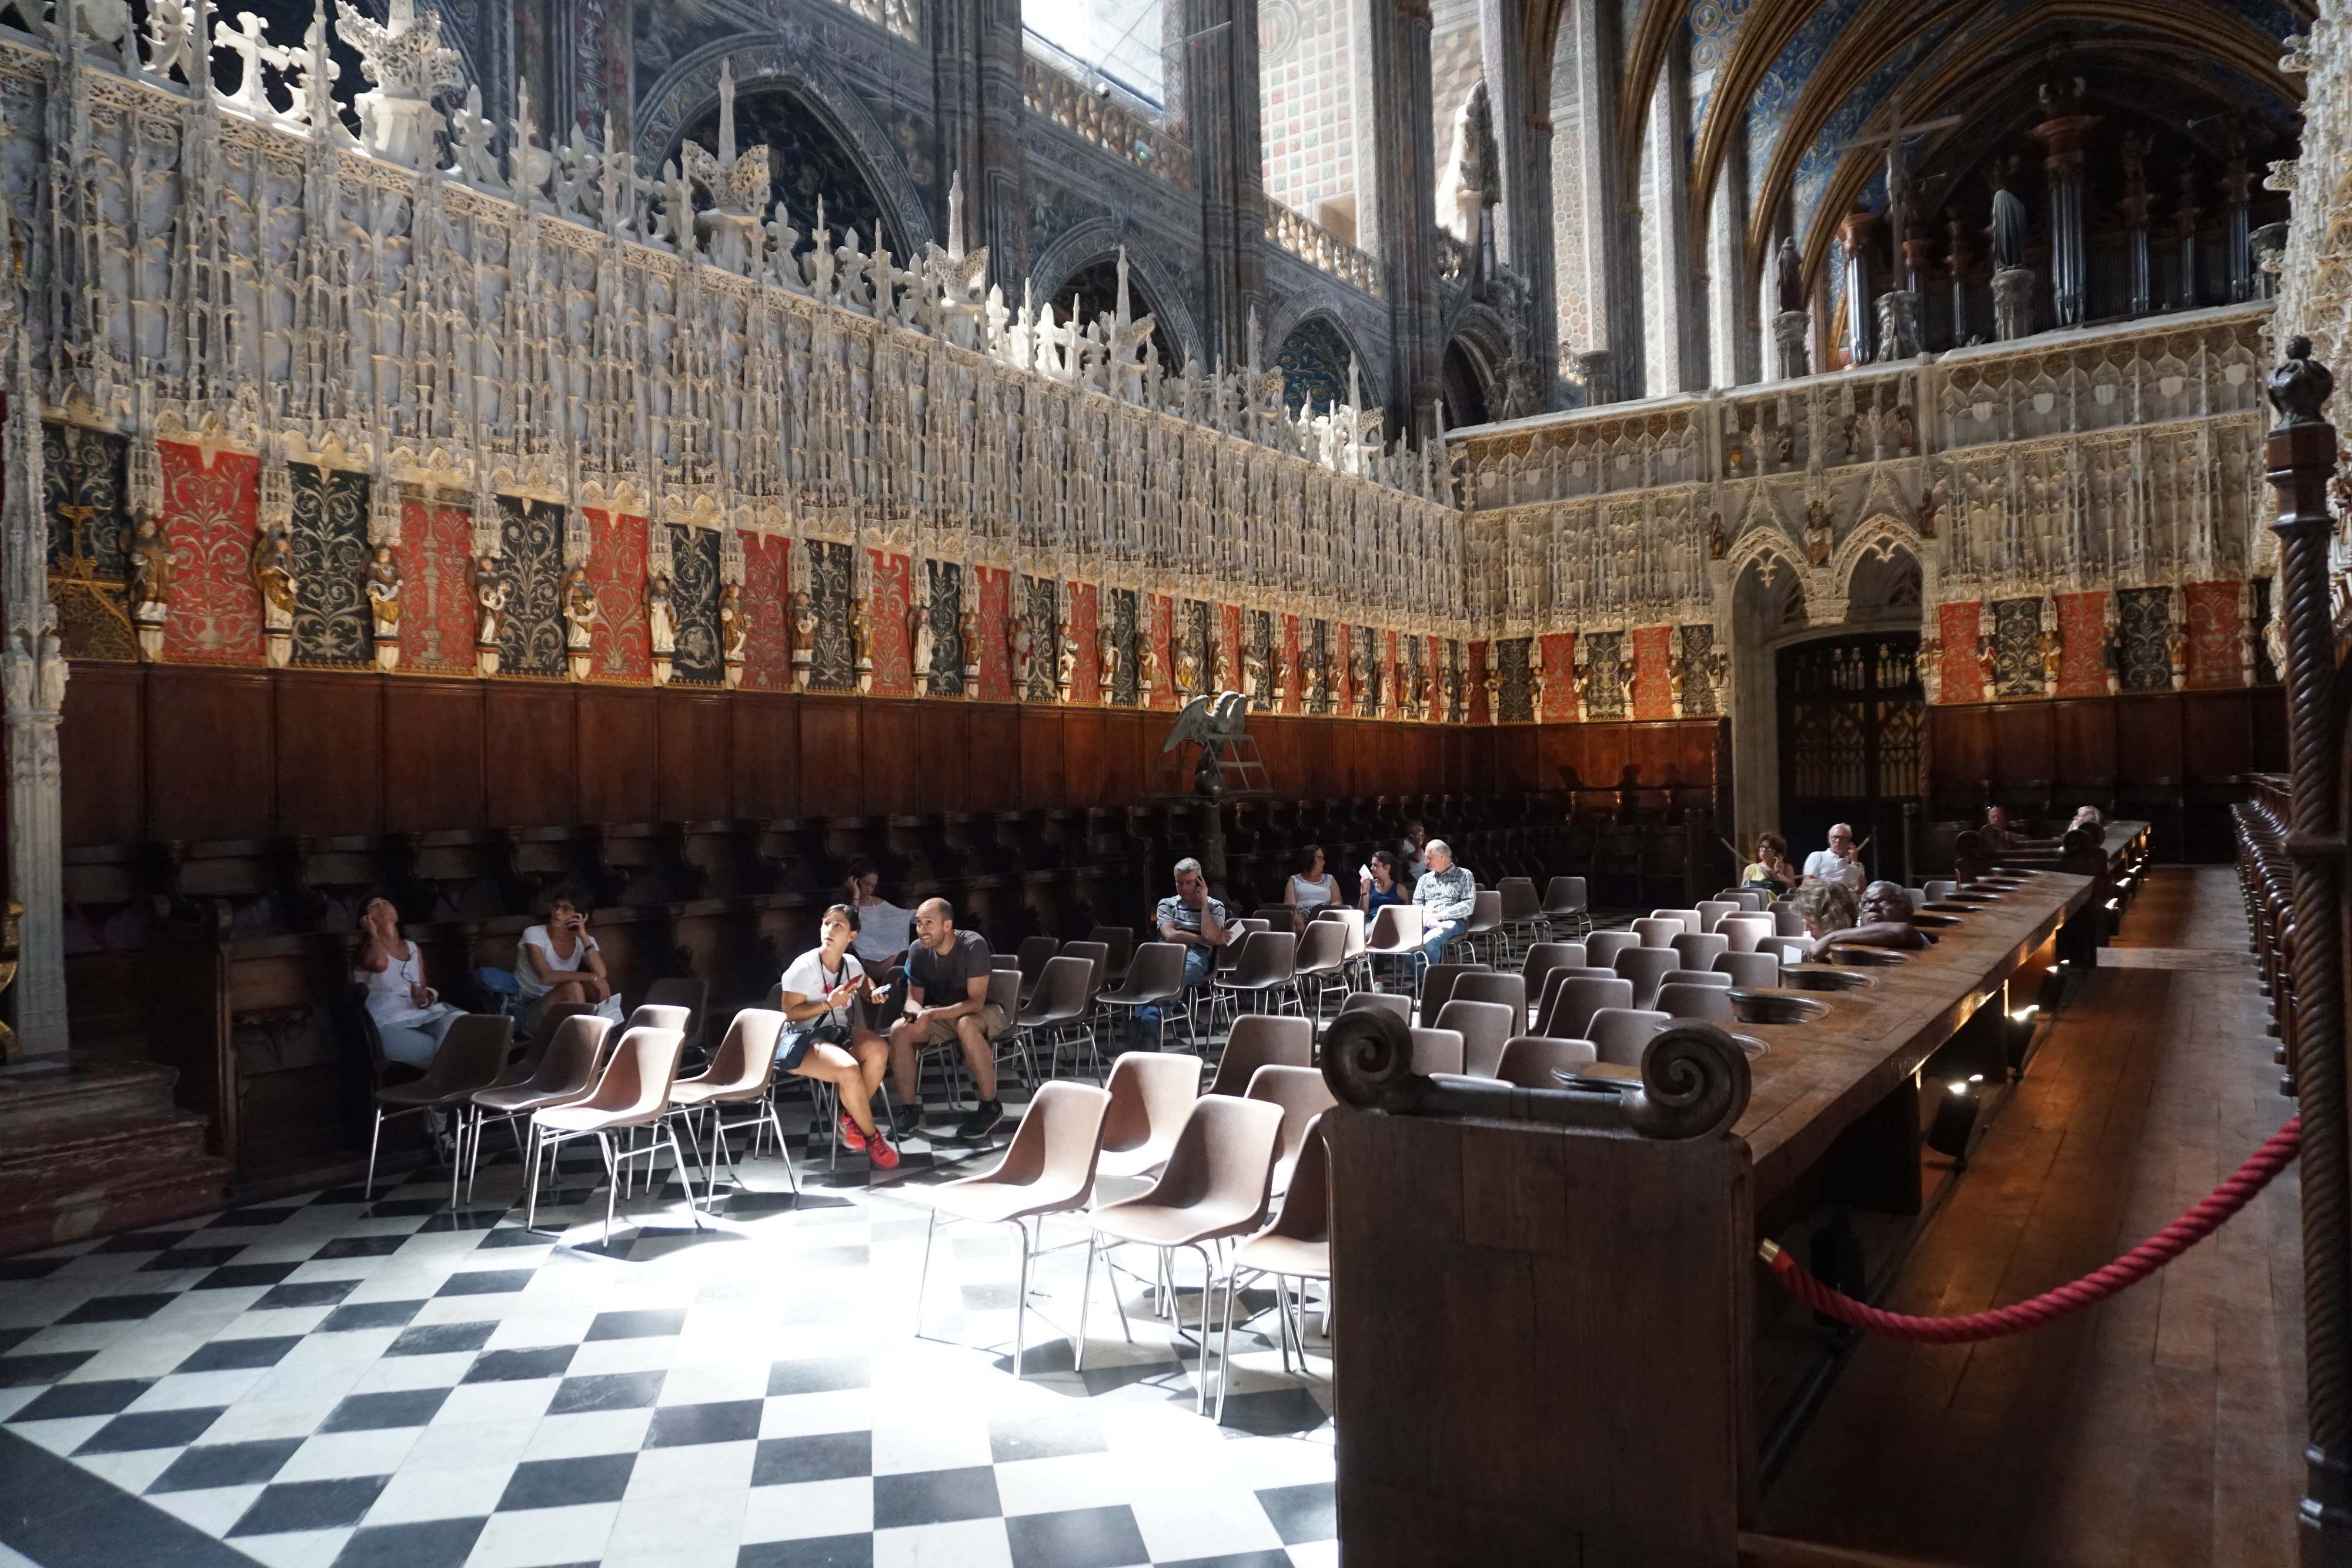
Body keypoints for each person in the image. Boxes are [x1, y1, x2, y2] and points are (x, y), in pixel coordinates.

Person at [776, 904, 898, 1169]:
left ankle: (850, 1118)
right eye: (827, 924)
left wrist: (874, 994)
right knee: (849, 1069)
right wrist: (827, 1005)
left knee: (878, 1050)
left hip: (838, 1033)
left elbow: (865, 986)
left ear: (851, 936)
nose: (829, 930)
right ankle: (872, 1136)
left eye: (838, 926)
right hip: (805, 1038)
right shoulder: (804, 966)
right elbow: (788, 1013)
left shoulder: (851, 963)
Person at [886, 899, 1014, 1142]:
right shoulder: (917, 949)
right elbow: (914, 997)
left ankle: (990, 1106)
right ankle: (908, 1111)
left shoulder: (973, 944)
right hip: (945, 1012)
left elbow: (976, 1002)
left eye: (929, 923)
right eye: (919, 924)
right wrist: (913, 1015)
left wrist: (931, 1014)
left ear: (947, 925)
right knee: (899, 1030)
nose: (922, 930)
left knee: (966, 1025)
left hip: (987, 1009)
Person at [354, 896, 463, 1068]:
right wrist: (373, 934)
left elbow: (423, 994)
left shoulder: (413, 948)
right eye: (372, 906)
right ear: (366, 920)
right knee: (444, 1053)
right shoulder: (365, 950)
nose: (381, 907)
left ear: (396, 914)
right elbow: (380, 964)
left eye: (385, 902)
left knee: (462, 1022)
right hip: (387, 1024)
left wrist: (422, 1000)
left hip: (419, 1016)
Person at [516, 886, 618, 1026]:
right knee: (574, 987)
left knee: (595, 987)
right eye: (556, 907)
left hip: (562, 1007)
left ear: (581, 916)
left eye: (566, 909)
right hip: (529, 1008)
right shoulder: (534, 934)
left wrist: (583, 935)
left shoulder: (585, 941)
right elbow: (546, 977)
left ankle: (598, 1032)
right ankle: (584, 1039)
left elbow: (601, 973)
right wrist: (591, 977)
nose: (557, 913)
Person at [842, 856, 914, 1027]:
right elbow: (852, 924)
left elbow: (901, 916)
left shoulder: (878, 902)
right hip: (868, 960)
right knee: (904, 959)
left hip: (885, 954)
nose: (869, 889)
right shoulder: (845, 906)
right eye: (866, 884)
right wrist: (856, 897)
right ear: (855, 881)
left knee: (910, 957)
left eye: (873, 885)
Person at [1157, 857, 1235, 993]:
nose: (1184, 888)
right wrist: (1204, 940)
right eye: (1179, 883)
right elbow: (1170, 935)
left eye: (1189, 882)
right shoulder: (1166, 904)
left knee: (1171, 980)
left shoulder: (1215, 907)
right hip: (1167, 950)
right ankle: (1152, 1014)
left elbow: (1209, 934)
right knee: (1147, 978)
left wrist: (1204, 903)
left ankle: (1150, 1015)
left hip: (1197, 955)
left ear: (1200, 882)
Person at [1806, 880, 1929, 961]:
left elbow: (1902, 931)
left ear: (1907, 910)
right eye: (1867, 902)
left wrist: (1830, 938)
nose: (1872, 907)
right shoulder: (1859, 936)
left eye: (1884, 900)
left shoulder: (1912, 936)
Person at [1411, 838, 1476, 970]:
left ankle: (1432, 982)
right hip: (1425, 921)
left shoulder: (1464, 875)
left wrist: (1440, 916)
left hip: (1452, 922)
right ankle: (1425, 981)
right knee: (1409, 942)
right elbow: (1416, 904)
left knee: (1429, 942)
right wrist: (1427, 917)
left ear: (1442, 856)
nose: (1425, 862)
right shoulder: (1424, 879)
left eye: (1429, 858)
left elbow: (1468, 905)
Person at [1788, 879, 1860, 948]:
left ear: (1834, 920)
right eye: (1805, 920)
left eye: (1812, 922)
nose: (1806, 928)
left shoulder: (1858, 946)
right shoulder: (1809, 938)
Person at [1801, 823, 1866, 891]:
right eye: (1835, 837)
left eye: (1842, 838)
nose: (1838, 841)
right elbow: (1806, 882)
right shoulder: (1818, 856)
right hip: (1822, 895)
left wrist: (1854, 862)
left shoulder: (1856, 865)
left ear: (1849, 841)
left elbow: (1860, 888)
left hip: (1846, 897)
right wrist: (1835, 882)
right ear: (1829, 839)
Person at [1285, 845, 1341, 921]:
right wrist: (1299, 923)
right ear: (1309, 859)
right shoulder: (1294, 880)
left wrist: (1324, 912)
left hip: (1324, 919)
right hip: (1301, 921)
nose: (1324, 862)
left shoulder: (1330, 879)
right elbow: (1290, 907)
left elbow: (1338, 902)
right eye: (1320, 858)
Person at [1359, 850, 1410, 918]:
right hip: (1372, 921)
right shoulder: (1368, 885)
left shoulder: (1399, 888)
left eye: (1375, 865)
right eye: (1372, 865)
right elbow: (1363, 913)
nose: (1371, 868)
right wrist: (1364, 891)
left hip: (1391, 922)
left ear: (1387, 867)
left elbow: (1407, 911)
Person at [1742, 832, 1795, 897]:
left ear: (1777, 853)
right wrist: (1761, 885)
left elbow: (1792, 889)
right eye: (1762, 847)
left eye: (1768, 848)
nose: (1763, 850)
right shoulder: (1750, 869)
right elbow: (1744, 892)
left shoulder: (1787, 868)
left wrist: (1777, 872)